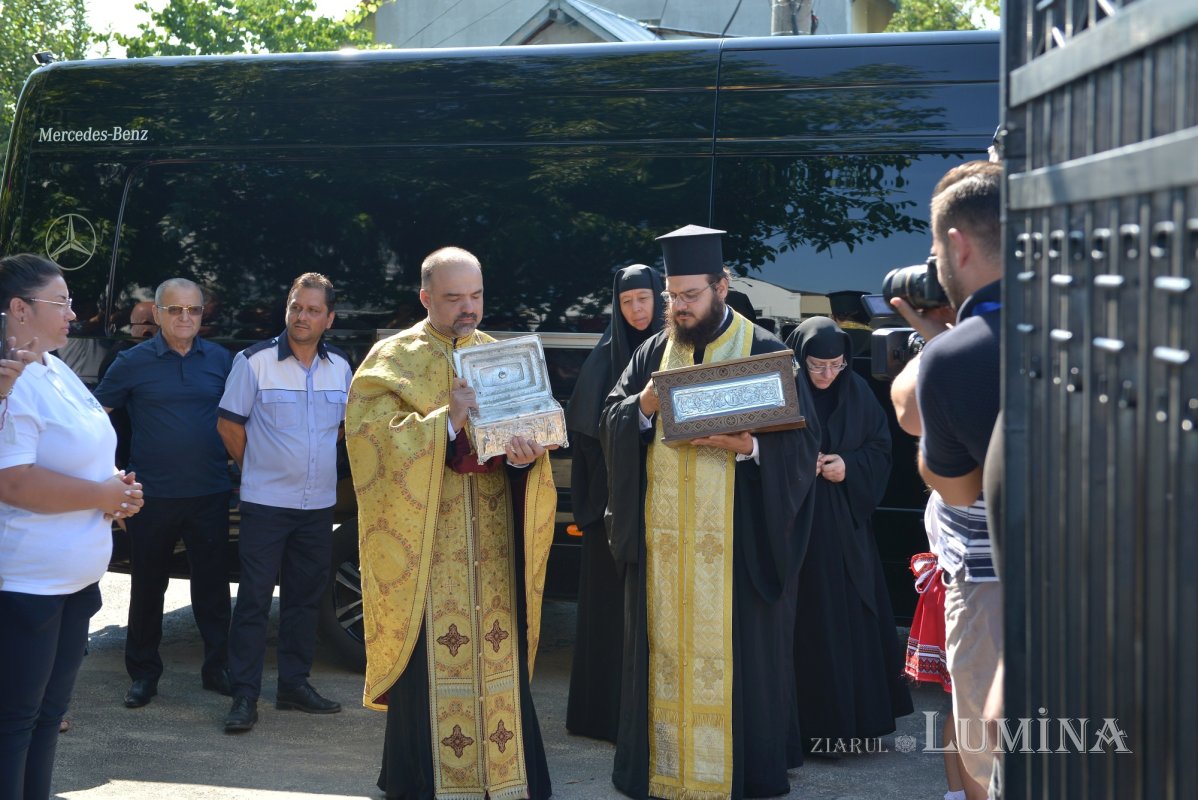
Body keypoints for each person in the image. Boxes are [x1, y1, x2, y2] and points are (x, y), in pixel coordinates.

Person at [601, 225, 820, 799]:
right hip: (664, 548)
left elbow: (800, 448)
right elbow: (612, 418)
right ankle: (661, 770)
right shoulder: (654, 349)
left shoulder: (766, 350)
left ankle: (739, 772)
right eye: (673, 295)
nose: (678, 306)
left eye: (690, 295)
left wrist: (748, 448)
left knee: (741, 661)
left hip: (737, 547)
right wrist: (643, 407)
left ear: (722, 285)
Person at [346, 246, 557, 800]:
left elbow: (531, 452)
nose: (468, 308)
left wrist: (521, 456)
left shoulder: (502, 356)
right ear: (425, 298)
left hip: (493, 542)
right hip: (427, 553)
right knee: (432, 667)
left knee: (497, 651)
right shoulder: (390, 359)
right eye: (453, 298)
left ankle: (505, 781)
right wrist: (449, 418)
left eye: (476, 296)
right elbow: (369, 445)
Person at [0, 253, 145, 799]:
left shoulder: (55, 368)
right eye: (59, 302)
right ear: (18, 309)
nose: (72, 313)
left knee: (45, 717)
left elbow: (84, 455)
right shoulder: (8, 381)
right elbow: (11, 482)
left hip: (74, 584)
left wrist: (118, 490)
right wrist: (100, 494)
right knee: (13, 722)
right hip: (27, 586)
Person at [890, 160, 1003, 800]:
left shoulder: (958, 357)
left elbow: (955, 487)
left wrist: (937, 347)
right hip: (1101, 579)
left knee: (993, 755)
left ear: (957, 245)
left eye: (936, 250)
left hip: (991, 585)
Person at [216, 272, 353, 733]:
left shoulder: (341, 369)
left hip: (317, 507)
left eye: (314, 310)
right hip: (265, 504)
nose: (302, 316)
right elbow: (230, 427)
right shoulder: (253, 362)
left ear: (328, 319)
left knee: (303, 600)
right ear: (287, 309)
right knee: (254, 601)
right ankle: (244, 696)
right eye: (297, 307)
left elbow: (341, 429)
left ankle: (294, 685)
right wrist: (262, 468)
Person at [94, 278, 234, 708]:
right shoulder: (133, 362)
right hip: (149, 496)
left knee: (212, 588)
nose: (185, 318)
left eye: (193, 310)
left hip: (209, 491)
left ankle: (218, 669)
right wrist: (105, 477)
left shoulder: (223, 360)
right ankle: (143, 675)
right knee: (148, 587)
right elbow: (96, 418)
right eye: (175, 310)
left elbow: (246, 418)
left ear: (202, 314)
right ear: (157, 314)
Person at [784, 317, 913, 755]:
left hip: (843, 531)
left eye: (836, 365)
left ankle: (851, 725)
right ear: (800, 360)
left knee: (848, 620)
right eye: (817, 366)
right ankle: (800, 729)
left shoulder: (856, 391)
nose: (826, 375)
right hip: (794, 531)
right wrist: (799, 463)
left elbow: (881, 449)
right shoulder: (784, 389)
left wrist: (848, 467)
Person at [564, 264, 665, 743]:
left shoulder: (671, 351)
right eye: (627, 302)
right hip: (610, 511)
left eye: (644, 299)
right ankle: (604, 716)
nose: (637, 310)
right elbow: (584, 442)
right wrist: (590, 512)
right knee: (610, 615)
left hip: (664, 505)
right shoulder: (604, 360)